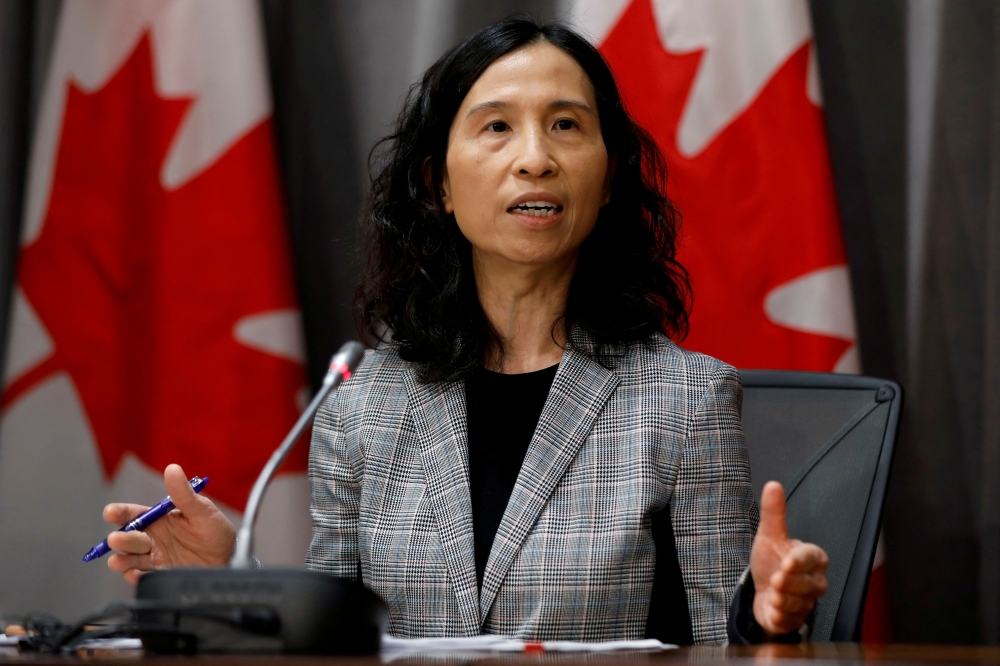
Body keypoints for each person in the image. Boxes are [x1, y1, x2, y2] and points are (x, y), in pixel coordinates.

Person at [102, 19, 828, 644]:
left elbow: (727, 643)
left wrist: (768, 622)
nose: (535, 158)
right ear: (438, 183)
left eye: (567, 125)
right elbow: (331, 645)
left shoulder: (686, 399)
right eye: (498, 127)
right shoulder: (359, 407)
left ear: (607, 180)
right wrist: (232, 578)